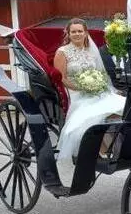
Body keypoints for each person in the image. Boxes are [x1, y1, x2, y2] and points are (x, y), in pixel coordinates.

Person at [54, 18, 126, 160]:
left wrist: (101, 86)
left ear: (86, 33)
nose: (77, 34)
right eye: (73, 31)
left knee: (125, 106)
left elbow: (101, 74)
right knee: (93, 114)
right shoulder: (62, 52)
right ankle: (100, 147)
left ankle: (116, 144)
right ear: (68, 33)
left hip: (97, 91)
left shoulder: (91, 51)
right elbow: (61, 79)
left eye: (80, 31)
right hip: (76, 93)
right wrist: (82, 87)